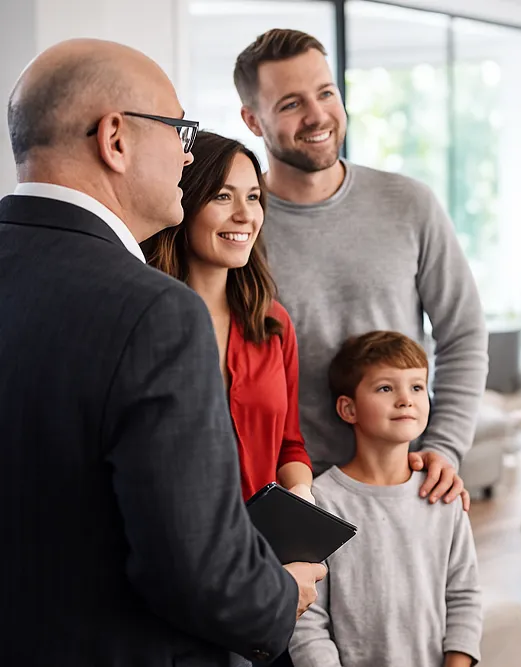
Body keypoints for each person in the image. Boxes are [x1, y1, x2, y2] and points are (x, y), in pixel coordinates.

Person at [0, 39, 326, 665]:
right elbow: (196, 568)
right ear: (114, 139)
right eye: (180, 128)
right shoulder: (155, 313)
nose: (186, 151)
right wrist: (281, 595)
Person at [233, 29, 488, 509]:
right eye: (290, 104)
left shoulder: (408, 203)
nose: (317, 115)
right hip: (287, 495)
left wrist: (445, 446)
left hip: (404, 485)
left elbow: (464, 332)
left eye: (326, 93)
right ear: (253, 120)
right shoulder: (239, 224)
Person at [289, 330, 482, 667]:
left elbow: (464, 597)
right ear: (348, 408)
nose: (406, 399)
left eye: (417, 387)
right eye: (385, 387)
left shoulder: (443, 495)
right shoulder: (320, 503)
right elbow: (307, 622)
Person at [144, 131, 314, 503]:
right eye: (223, 196)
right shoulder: (143, 323)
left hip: (263, 547)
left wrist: (301, 493)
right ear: (183, 201)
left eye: (253, 197)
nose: (245, 215)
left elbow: (289, 445)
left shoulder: (273, 323)